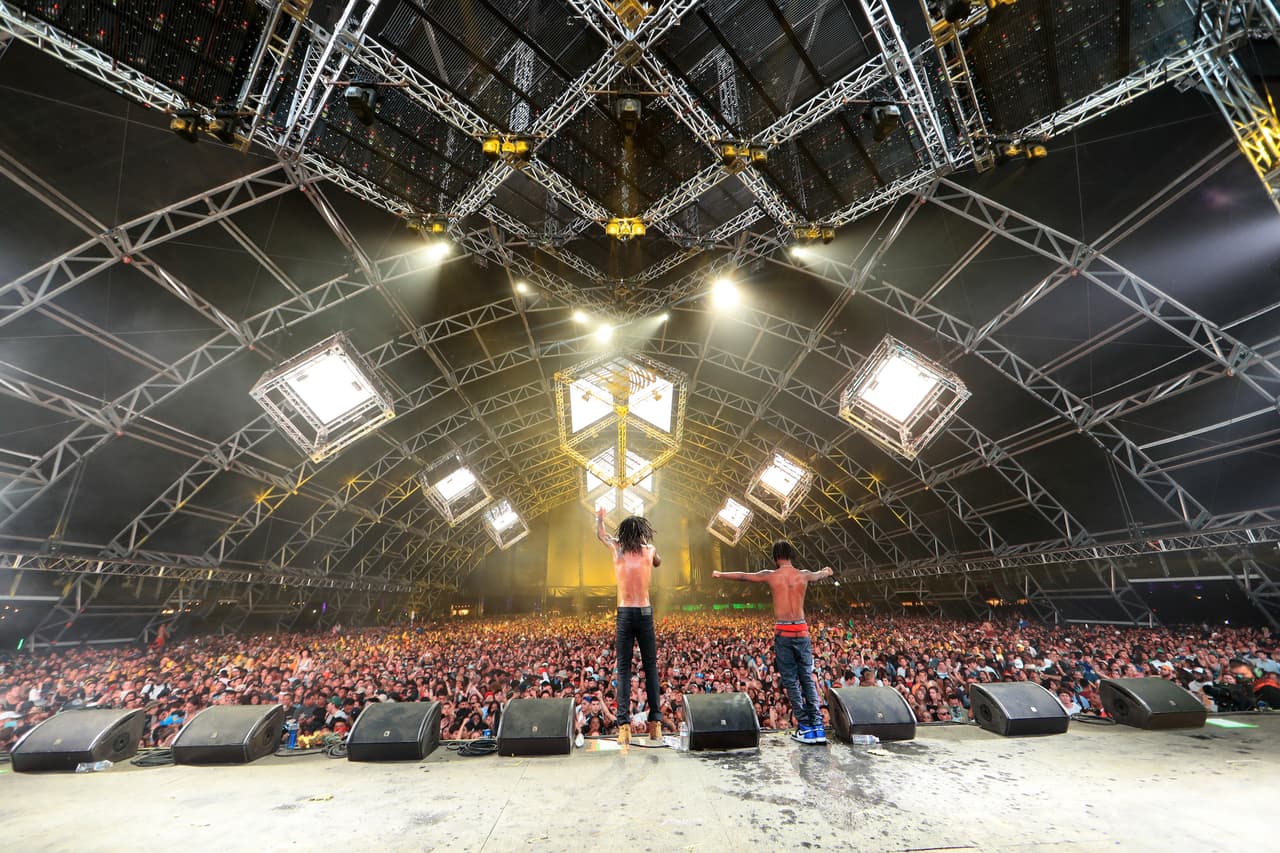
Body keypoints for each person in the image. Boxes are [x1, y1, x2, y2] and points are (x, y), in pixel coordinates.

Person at [713, 541, 834, 744]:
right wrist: (826, 571)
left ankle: (804, 727)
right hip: (802, 630)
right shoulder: (803, 574)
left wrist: (721, 574)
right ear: (791, 555)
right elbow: (819, 574)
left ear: (776, 557)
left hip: (784, 631)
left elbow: (744, 576)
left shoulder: (772, 574)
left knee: (791, 681)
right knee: (807, 677)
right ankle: (818, 728)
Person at [595, 507, 663, 747]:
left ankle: (623, 726)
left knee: (623, 669)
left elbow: (601, 535)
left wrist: (600, 518)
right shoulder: (649, 550)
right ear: (642, 533)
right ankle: (656, 724)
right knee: (651, 667)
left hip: (625, 612)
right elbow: (657, 562)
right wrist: (646, 544)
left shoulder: (617, 549)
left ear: (623, 534)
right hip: (644, 612)